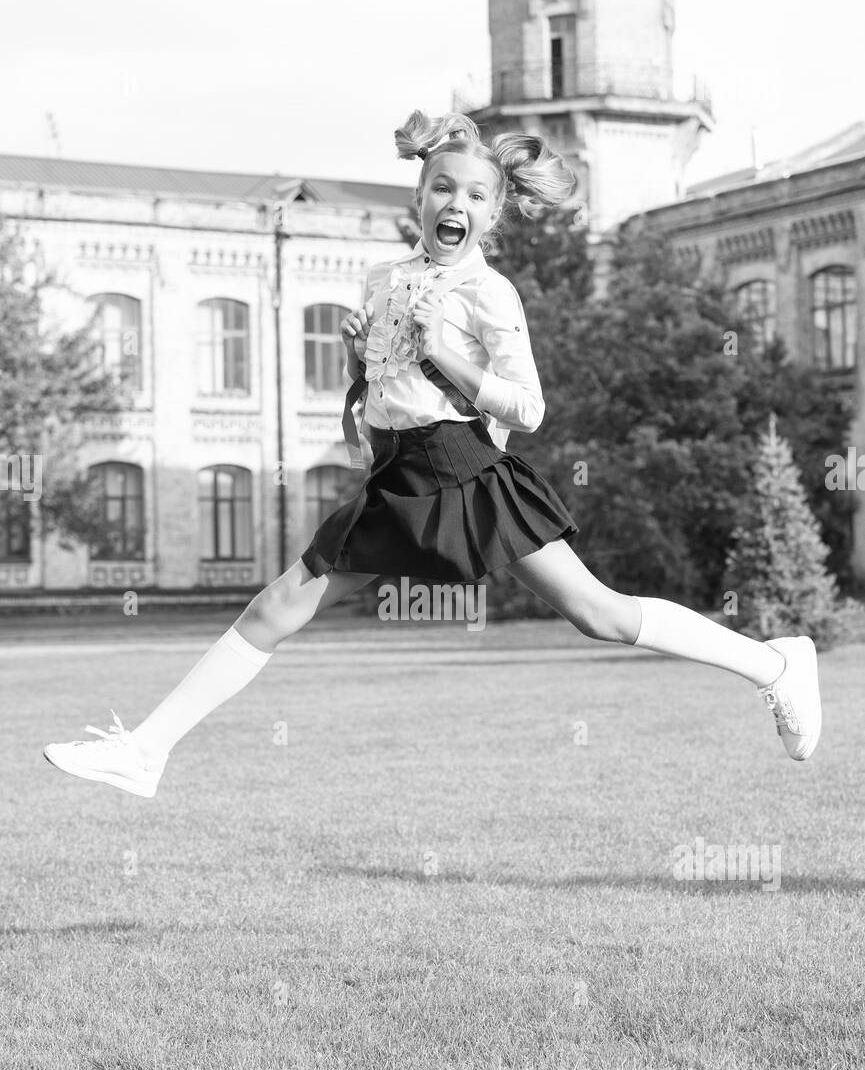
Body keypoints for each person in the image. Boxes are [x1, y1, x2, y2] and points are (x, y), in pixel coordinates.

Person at [44, 109, 821, 798]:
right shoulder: (384, 279)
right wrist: (359, 358)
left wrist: (447, 356)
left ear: (495, 213)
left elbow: (528, 407)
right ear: (417, 198)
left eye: (476, 196)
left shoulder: (490, 293)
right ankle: (145, 751)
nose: (457, 204)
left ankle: (776, 666)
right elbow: (391, 392)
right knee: (273, 609)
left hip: (464, 471)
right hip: (396, 473)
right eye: (442, 188)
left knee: (599, 615)